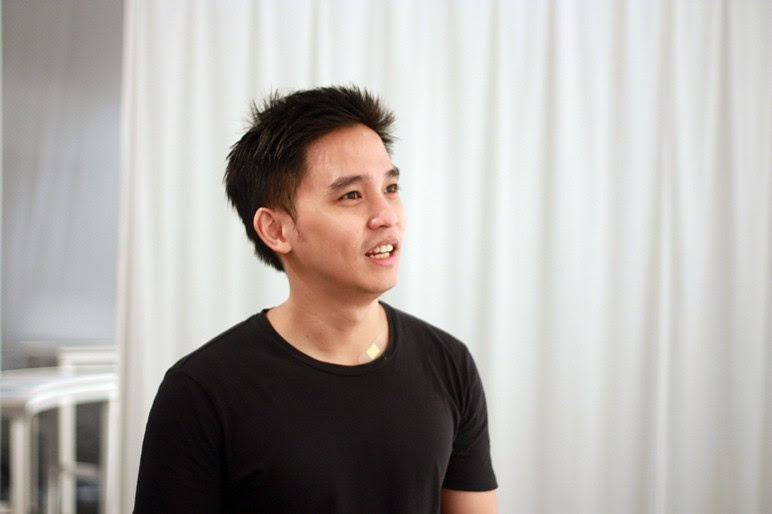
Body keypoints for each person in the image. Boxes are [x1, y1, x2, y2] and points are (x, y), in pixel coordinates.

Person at [134, 86, 497, 513]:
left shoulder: (448, 364)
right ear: (276, 230)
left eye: (391, 187)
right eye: (351, 195)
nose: (386, 216)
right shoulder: (201, 392)